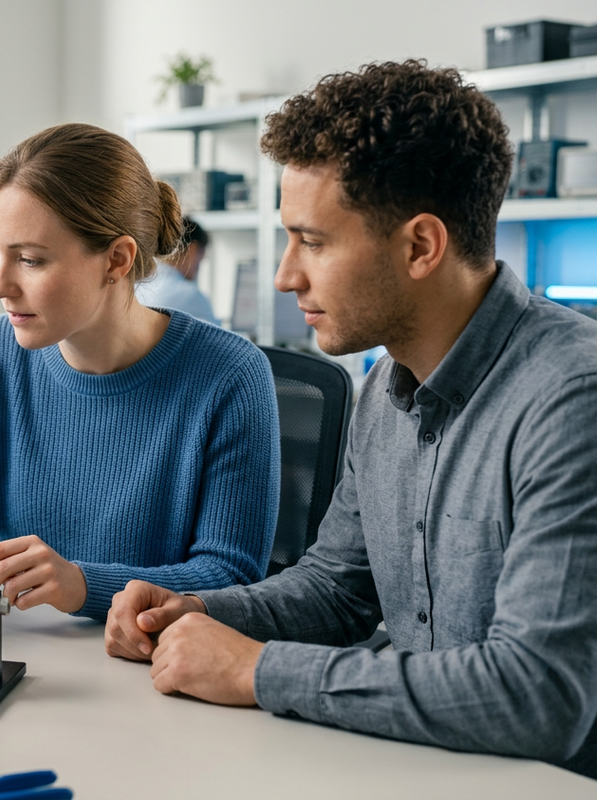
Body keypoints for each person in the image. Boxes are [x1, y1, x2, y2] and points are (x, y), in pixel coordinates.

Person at [104, 61, 597, 777]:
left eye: (314, 241)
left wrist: (258, 671)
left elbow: (537, 697)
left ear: (421, 246)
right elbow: (338, 589)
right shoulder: (386, 386)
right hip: (423, 768)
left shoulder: (569, 398)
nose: (284, 275)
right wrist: (195, 611)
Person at [0, 123, 280, 621]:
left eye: (31, 260)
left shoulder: (231, 375)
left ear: (116, 260)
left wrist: (82, 584)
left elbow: (230, 575)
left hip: (156, 668)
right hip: (30, 664)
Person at [135, 217, 216, 323]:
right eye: (202, 254)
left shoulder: (138, 286)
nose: (201, 262)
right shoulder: (190, 295)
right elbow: (223, 338)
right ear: (193, 249)